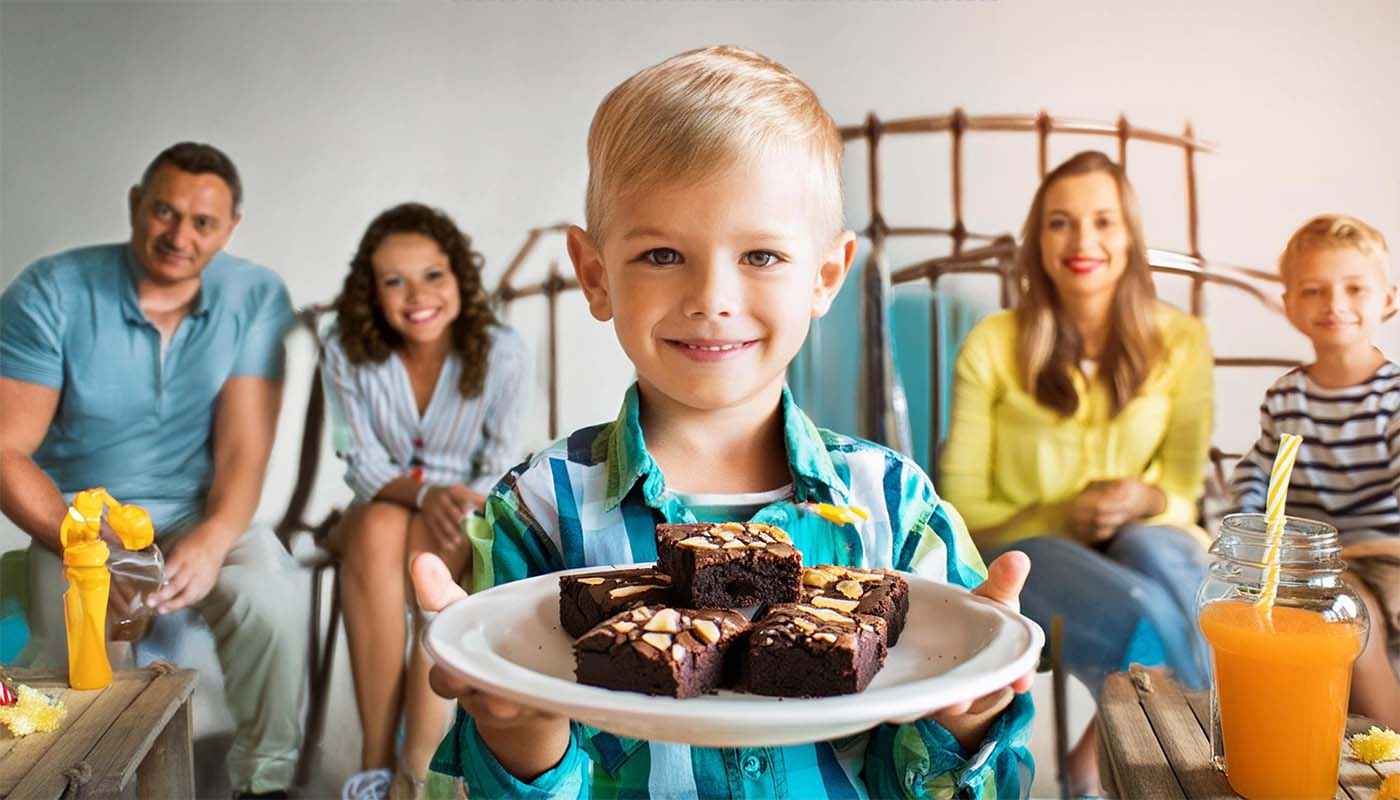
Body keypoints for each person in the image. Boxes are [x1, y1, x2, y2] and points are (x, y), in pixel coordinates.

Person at [409, 45, 1036, 798]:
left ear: (826, 276)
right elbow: (486, 775)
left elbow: (970, 782)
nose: (713, 295)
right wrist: (516, 727)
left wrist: (968, 717)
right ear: (595, 274)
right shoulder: (539, 513)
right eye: (664, 253)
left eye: (762, 255)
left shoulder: (894, 507)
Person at [0, 142, 305, 797]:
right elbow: (5, 449)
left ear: (231, 229)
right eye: (164, 212)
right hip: (78, 516)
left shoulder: (253, 297)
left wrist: (218, 534)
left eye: (202, 222)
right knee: (76, 663)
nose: (179, 235)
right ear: (136, 204)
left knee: (273, 597)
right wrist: (80, 541)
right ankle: (84, 782)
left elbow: (244, 451)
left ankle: (266, 782)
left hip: (201, 509)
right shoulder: (50, 293)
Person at [939, 150, 1214, 792]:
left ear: (1130, 237)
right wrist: (1064, 515)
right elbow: (962, 508)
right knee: (1143, 609)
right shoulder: (993, 342)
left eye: (1103, 221)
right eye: (1061, 222)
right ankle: (1203, 770)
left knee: (1174, 564)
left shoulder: (1182, 341)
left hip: (1145, 540)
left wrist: (1143, 497)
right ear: (1038, 241)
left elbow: (1182, 492)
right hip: (1026, 546)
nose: (1082, 240)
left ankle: (1095, 770)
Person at [323, 202, 530, 799]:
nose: (417, 294)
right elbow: (362, 465)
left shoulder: (503, 351)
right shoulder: (346, 349)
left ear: (460, 277)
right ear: (374, 293)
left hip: (461, 509)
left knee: (434, 544)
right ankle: (381, 764)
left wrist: (450, 502)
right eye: (395, 280)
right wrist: (425, 492)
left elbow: (496, 469)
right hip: (383, 504)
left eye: (433, 275)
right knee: (378, 529)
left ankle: (409, 769)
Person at [1230, 214, 1400, 729]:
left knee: (1364, 603)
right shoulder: (1287, 396)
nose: (1336, 305)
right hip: (1312, 558)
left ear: (1388, 299)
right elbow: (1259, 471)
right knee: (1344, 609)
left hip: (1386, 552)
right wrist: (1248, 525)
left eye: (1354, 288)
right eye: (1314, 290)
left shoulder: (1392, 396)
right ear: (1289, 305)